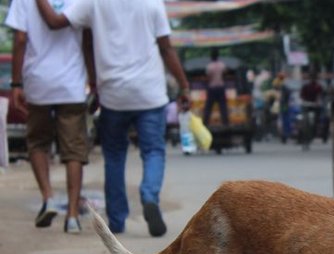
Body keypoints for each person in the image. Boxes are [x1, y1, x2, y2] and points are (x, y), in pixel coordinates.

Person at [35, 0, 190, 237]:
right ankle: (149, 196)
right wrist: (184, 86)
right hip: (149, 93)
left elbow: (58, 23)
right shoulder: (152, 3)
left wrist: (94, 82)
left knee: (115, 156)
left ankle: (117, 221)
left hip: (113, 95)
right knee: (153, 151)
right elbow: (166, 48)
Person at [5, 0, 94, 233]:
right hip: (72, 84)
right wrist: (93, 80)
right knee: (74, 149)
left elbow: (20, 39)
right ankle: (73, 216)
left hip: (38, 82)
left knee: (37, 143)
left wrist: (16, 83)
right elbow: (87, 41)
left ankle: (48, 197)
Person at [203, 48, 228, 128]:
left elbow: (207, 78)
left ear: (211, 57)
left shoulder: (209, 66)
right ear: (218, 56)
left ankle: (205, 123)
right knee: (223, 106)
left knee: (208, 106)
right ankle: (225, 123)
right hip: (220, 87)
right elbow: (225, 74)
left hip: (212, 88)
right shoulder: (222, 65)